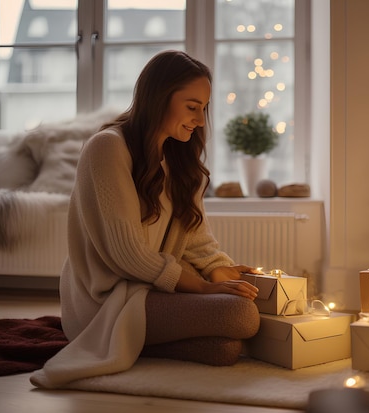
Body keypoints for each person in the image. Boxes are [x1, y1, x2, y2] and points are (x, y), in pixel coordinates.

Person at [31, 50, 261, 389]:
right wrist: (203, 288)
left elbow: (197, 239)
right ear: (159, 97)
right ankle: (125, 338)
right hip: (106, 302)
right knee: (239, 315)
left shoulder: (178, 158)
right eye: (192, 106)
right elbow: (128, 254)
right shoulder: (106, 148)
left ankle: (143, 343)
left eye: (203, 109)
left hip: (150, 288)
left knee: (227, 347)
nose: (200, 120)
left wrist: (219, 269)